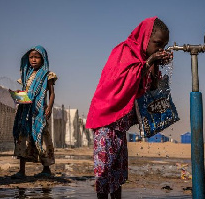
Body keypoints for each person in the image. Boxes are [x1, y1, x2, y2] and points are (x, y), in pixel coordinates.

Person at [86, 17, 173, 199]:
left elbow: (148, 87)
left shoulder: (143, 58)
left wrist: (155, 63)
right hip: (106, 121)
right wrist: (149, 62)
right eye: (157, 44)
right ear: (145, 37)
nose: (161, 49)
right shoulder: (124, 51)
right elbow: (120, 80)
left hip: (120, 126)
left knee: (118, 170)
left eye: (164, 46)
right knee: (104, 169)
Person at [11, 45, 57, 179]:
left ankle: (46, 169)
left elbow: (52, 93)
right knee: (22, 138)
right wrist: (18, 97)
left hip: (39, 111)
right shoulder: (27, 75)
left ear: (43, 59)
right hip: (25, 111)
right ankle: (21, 170)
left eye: (37, 57)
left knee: (42, 138)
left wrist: (49, 108)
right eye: (31, 57)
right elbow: (26, 91)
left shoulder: (47, 75)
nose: (33, 60)